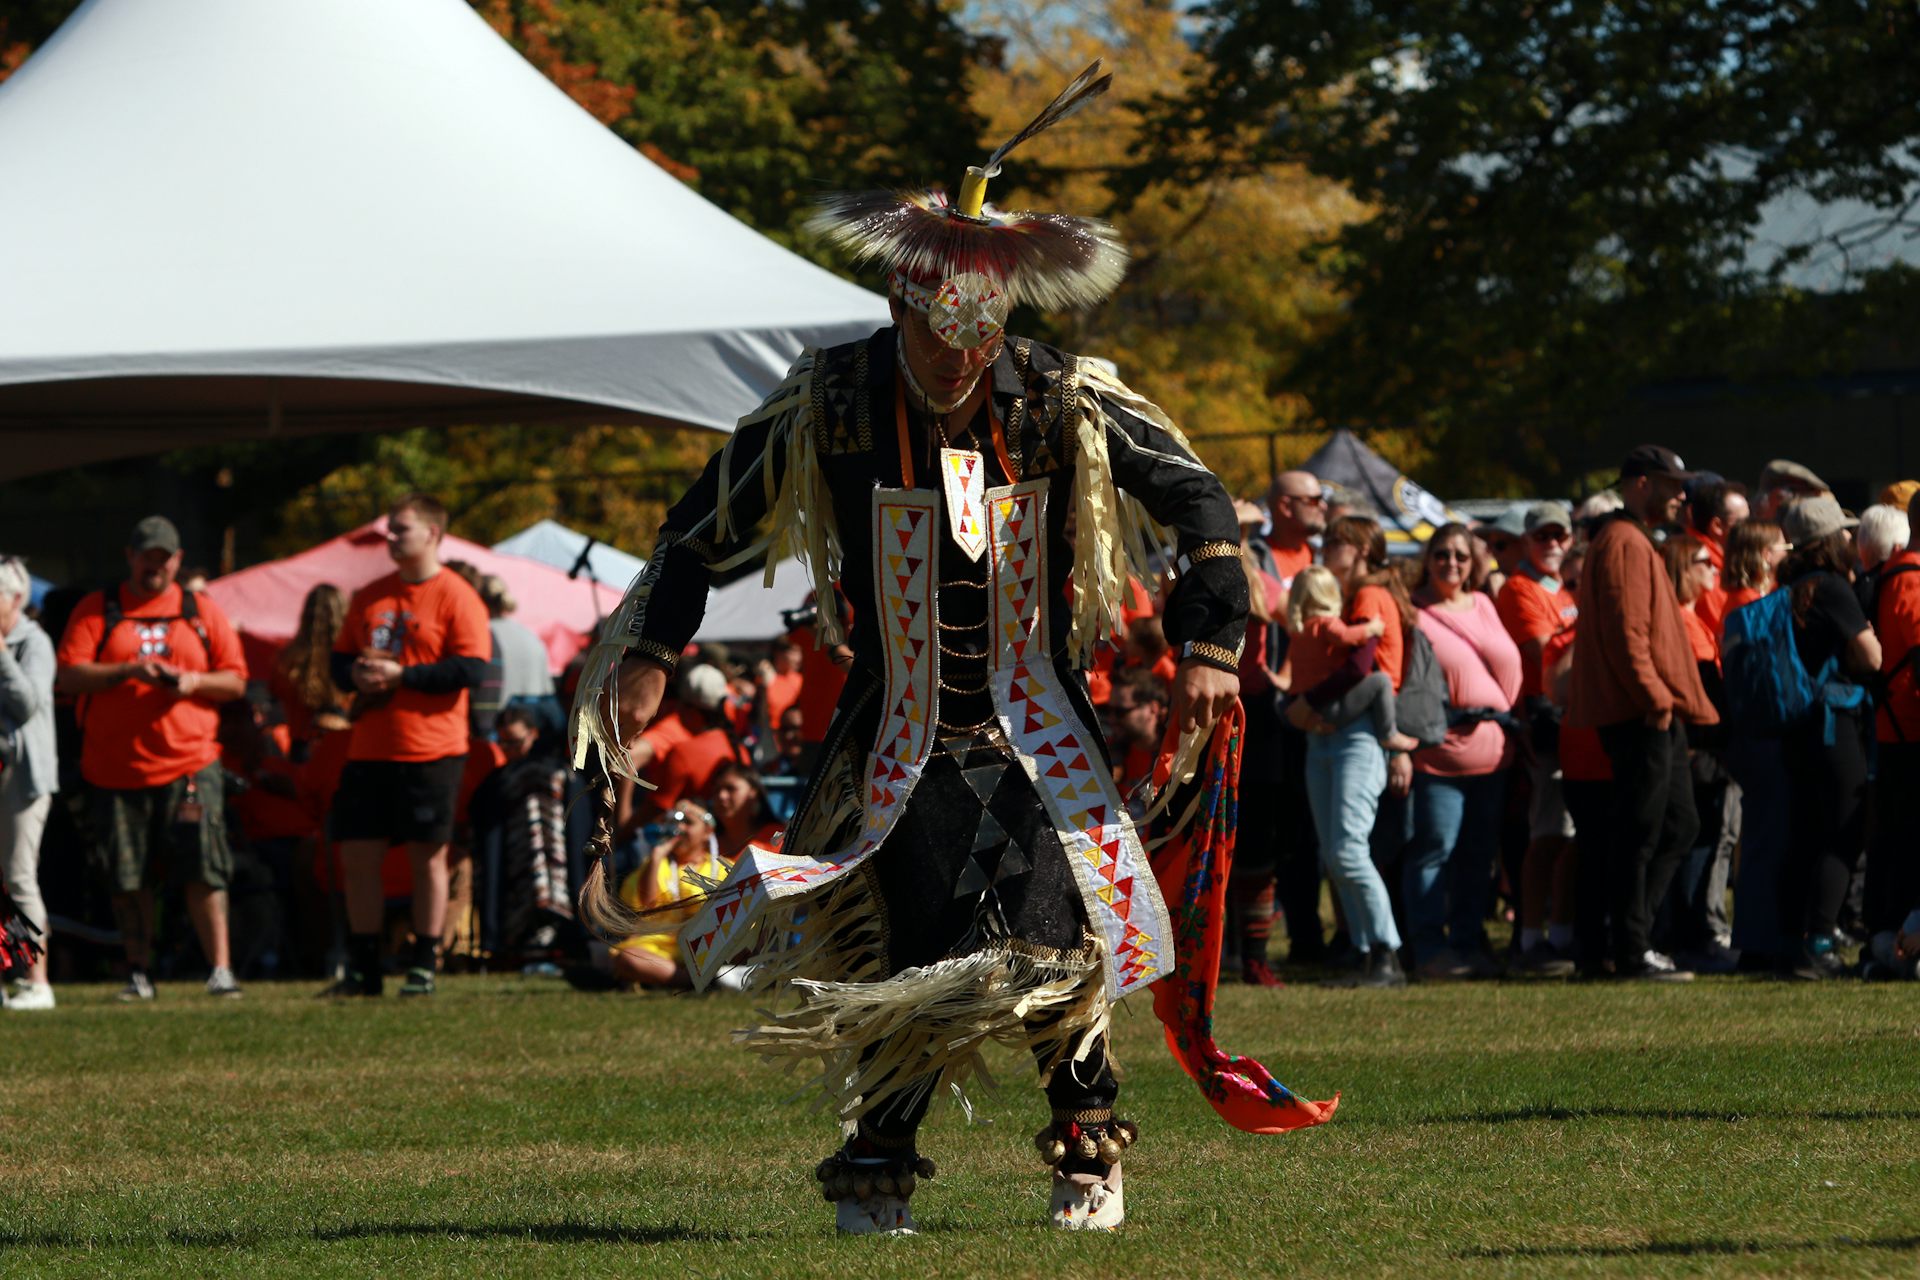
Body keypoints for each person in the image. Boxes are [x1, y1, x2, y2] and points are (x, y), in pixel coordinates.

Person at [570, 66, 1329, 1237]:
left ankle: (1087, 1150)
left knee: (1056, 934)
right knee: (913, 937)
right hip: (892, 729)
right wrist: (649, 653)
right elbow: (696, 531)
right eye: (934, 335)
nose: (954, 362)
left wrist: (1212, 640)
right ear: (899, 308)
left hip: (1043, 725)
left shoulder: (1061, 397)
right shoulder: (827, 405)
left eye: (976, 338)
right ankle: (879, 1157)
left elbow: (1202, 501)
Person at [55, 516, 249, 1000]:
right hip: (115, 768)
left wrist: (191, 682)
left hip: (189, 765)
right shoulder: (99, 609)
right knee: (126, 874)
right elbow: (70, 676)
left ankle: (220, 970)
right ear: (130, 557)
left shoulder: (200, 610)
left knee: (205, 866)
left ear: (177, 561)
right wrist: (129, 670)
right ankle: (138, 971)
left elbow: (236, 681)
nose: (154, 568)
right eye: (146, 558)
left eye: (163, 560)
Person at [322, 494, 491, 998]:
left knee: (429, 858)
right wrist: (355, 673)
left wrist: (403, 675)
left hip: (432, 749)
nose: (391, 538)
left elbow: (471, 669)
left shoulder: (457, 595)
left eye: (401, 529)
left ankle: (423, 963)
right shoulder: (369, 595)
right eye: (389, 530)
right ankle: (364, 966)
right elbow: (338, 661)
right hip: (370, 749)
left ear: (433, 534)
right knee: (358, 856)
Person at [1566, 447, 1717, 982]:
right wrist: (1654, 696)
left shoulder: (1627, 540)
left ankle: (1627, 939)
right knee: (1644, 830)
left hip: (1649, 709)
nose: (1680, 494)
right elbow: (1628, 633)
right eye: (1668, 483)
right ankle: (1630, 948)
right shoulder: (1624, 542)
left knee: (1676, 823)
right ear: (1638, 484)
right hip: (1641, 712)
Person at [1403, 524, 1523, 980]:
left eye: (1460, 555)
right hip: (1441, 756)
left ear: (1473, 563)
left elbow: (1507, 668)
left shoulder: (1487, 605)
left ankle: (1469, 943)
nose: (1451, 563)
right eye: (1442, 554)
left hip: (1494, 755)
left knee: (1478, 855)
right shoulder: (1415, 612)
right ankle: (1431, 949)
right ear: (1428, 559)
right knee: (1435, 849)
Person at [1301, 515, 1412, 989]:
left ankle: (1387, 953)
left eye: (1336, 543)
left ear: (1362, 549)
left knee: (1346, 851)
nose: (1326, 550)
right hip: (1338, 730)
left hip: (1358, 731)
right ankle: (1365, 952)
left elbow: (1362, 669)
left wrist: (1304, 704)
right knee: (1335, 851)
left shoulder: (1368, 595)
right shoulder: (1352, 597)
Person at [1774, 497, 1879, 979]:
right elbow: (1871, 656)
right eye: (1844, 533)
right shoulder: (1832, 587)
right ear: (1829, 540)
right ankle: (1819, 941)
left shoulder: (1791, 585)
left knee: (1808, 832)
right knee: (1843, 831)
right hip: (1834, 723)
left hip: (1796, 724)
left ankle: (1793, 938)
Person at [1494, 502, 1580, 975]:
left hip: (1571, 718)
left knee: (1569, 834)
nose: (1552, 544)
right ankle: (1530, 937)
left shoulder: (1562, 590)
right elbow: (1545, 652)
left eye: (1559, 536)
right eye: (1543, 536)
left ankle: (1560, 931)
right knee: (1547, 832)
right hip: (1543, 720)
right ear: (1527, 540)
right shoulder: (1520, 589)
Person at [0, 557, 58, 1010]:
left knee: (20, 878)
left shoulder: (34, 643)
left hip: (24, 778)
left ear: (17, 600)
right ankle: (7, 976)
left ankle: (37, 981)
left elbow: (25, 704)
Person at [1866, 491, 1920, 976]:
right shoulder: (1912, 581)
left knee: (1897, 845)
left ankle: (1891, 939)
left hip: (1893, 729)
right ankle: (1900, 945)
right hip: (1910, 732)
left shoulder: (1886, 575)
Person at [1284, 565, 1419, 753]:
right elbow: (1344, 636)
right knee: (1381, 681)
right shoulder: (1326, 623)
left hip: (1309, 708)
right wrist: (1370, 629)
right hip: (1329, 704)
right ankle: (1389, 734)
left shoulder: (1300, 631)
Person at [270, 583, 349, 757]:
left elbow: (276, 698)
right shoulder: (350, 656)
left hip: (301, 746)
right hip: (342, 746)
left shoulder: (287, 657)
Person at [480, 574, 560, 735]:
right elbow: (546, 693)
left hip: (495, 731)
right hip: (531, 735)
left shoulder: (482, 634)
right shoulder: (531, 637)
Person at [1687, 479, 1748, 637]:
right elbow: (1723, 634)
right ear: (1717, 526)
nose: (1751, 529)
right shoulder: (1704, 570)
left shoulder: (1718, 564)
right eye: (1744, 523)